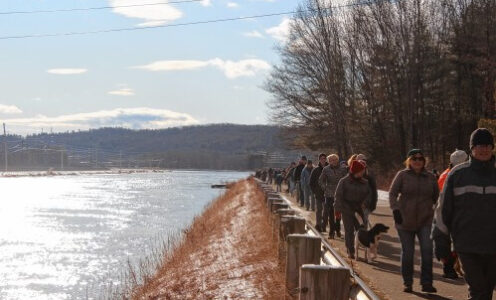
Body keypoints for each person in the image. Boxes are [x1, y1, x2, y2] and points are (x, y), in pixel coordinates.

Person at [439, 128, 496, 300]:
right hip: (467, 246)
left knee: (486, 291)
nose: (484, 149)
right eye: (479, 145)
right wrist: (441, 245)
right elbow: (443, 212)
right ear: (472, 148)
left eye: (488, 145)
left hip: (493, 247)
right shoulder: (457, 174)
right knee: (478, 291)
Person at [389, 149, 439, 293]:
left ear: (424, 161)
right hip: (404, 220)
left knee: (427, 250)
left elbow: (437, 197)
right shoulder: (402, 175)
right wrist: (396, 210)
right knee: (408, 252)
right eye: (414, 158)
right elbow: (392, 194)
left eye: (420, 159)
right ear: (409, 161)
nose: (417, 161)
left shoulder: (430, 177)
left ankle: (427, 283)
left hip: (426, 220)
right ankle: (408, 282)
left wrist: (437, 213)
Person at [432, 149, 468, 279]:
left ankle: (453, 267)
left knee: (451, 242)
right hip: (449, 212)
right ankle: (449, 267)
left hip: (454, 212)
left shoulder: (445, 174)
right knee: (449, 242)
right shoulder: (450, 175)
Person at [334, 160, 370, 258]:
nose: (363, 172)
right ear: (355, 171)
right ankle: (350, 250)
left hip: (359, 210)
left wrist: (365, 203)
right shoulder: (344, 181)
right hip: (347, 209)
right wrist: (337, 210)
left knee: (361, 230)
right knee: (349, 230)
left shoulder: (365, 182)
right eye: (361, 171)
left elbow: (369, 196)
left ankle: (364, 251)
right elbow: (338, 196)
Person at [319, 154, 347, 239]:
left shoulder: (343, 169)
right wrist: (325, 187)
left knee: (338, 213)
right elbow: (321, 180)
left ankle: (338, 229)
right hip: (329, 194)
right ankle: (331, 232)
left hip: (339, 194)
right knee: (331, 214)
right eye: (331, 160)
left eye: (334, 160)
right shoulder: (326, 169)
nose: (333, 161)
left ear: (337, 160)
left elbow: (346, 180)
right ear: (329, 161)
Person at [356, 154, 378, 227]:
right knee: (356, 222)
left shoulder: (369, 177)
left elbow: (373, 192)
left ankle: (363, 235)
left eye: (364, 161)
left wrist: (372, 205)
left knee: (364, 221)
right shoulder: (351, 176)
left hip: (366, 204)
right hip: (354, 205)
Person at [310, 153, 327, 231]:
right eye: (322, 158)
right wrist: (315, 191)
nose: (323, 160)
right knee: (319, 210)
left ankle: (324, 226)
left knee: (326, 211)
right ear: (319, 160)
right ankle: (318, 225)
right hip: (318, 194)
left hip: (328, 194)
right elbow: (311, 182)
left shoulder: (329, 169)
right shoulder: (315, 170)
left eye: (324, 158)